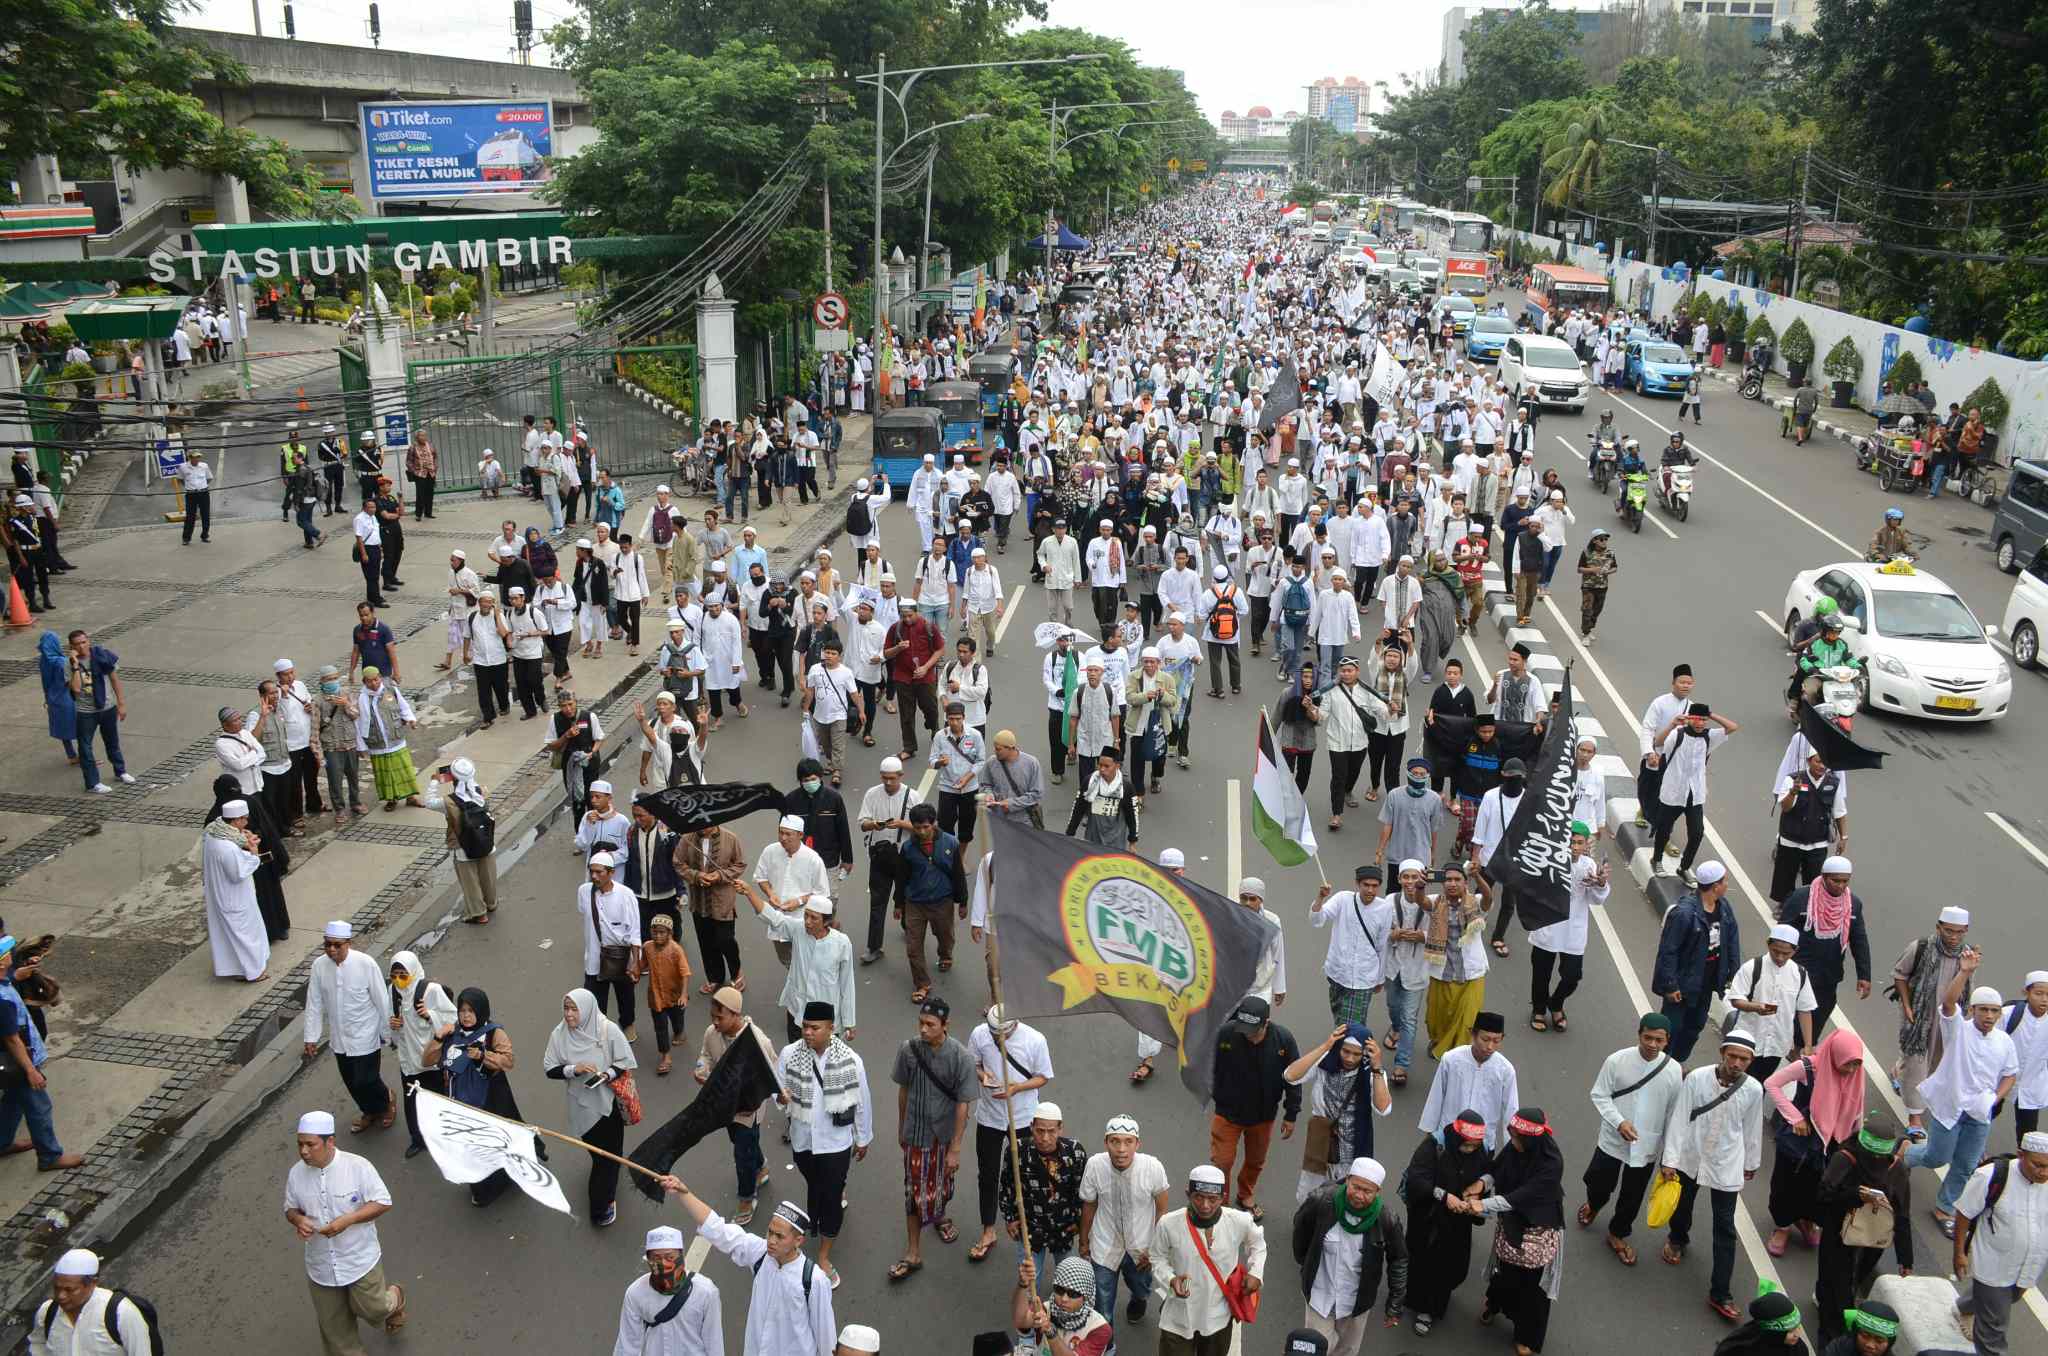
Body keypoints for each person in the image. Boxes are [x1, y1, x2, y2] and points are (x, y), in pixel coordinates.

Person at [1906, 952, 2021, 1232]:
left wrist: (1996, 1098)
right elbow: (1947, 1003)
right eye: (1984, 1010)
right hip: (1951, 1107)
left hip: (1979, 1113)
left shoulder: (2004, 1041)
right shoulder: (1958, 1029)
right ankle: (1904, 1154)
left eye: (1995, 1011)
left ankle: (1944, 1208)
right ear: (1972, 1010)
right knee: (1936, 1157)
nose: (1990, 1016)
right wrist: (1965, 972)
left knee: (1966, 1165)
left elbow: (2010, 1072)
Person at [661, 1178, 839, 1356]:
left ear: (798, 1241)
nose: (771, 1240)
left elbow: (826, 1337)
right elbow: (718, 1230)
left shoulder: (813, 1280)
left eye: (779, 1236)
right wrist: (684, 1193)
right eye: (770, 1232)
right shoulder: (760, 1253)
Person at [1659, 1030, 1766, 1321]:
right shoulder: (1696, 1079)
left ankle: (1720, 1293)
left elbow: (1752, 1127)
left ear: (1750, 1060)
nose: (1737, 1063)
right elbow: (1679, 1118)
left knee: (1725, 1227)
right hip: (1691, 1156)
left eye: (1743, 1059)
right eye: (1732, 1056)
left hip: (1725, 1162)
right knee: (1683, 1204)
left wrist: (1751, 1162)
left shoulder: (1754, 1090)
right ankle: (1678, 1237)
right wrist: (1670, 1159)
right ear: (1722, 1054)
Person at [285, 1110, 406, 1354]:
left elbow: (383, 1202)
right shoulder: (296, 1173)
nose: (304, 1151)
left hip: (358, 1259)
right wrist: (298, 1220)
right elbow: (290, 1208)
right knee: (335, 1333)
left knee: (375, 1309)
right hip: (320, 1266)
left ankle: (396, 1299)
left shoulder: (357, 1167)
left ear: (330, 1142)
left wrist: (348, 1220)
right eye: (300, 1144)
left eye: (311, 1144)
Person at [778, 1000, 872, 1287]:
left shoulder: (851, 1060)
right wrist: (780, 1098)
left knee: (830, 1198)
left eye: (815, 1028)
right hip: (803, 1141)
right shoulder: (789, 1054)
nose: (807, 1033)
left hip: (835, 1144)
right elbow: (778, 1088)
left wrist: (862, 1137)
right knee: (815, 1184)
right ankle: (830, 1195)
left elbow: (863, 1101)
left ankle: (823, 1254)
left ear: (831, 1029)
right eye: (805, 1027)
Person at [1581, 1013, 1684, 1264]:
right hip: (1612, 1140)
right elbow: (1600, 1095)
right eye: (1647, 1038)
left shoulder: (1673, 1070)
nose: (1652, 1044)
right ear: (1639, 1034)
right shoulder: (1617, 1061)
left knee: (1633, 1194)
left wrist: (1670, 1158)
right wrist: (1619, 1122)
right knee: (1598, 1182)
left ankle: (1617, 1233)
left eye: (1659, 1040)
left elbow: (1674, 1116)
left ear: (1667, 1041)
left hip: (1646, 1145)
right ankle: (1594, 1204)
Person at [888, 996, 976, 1281]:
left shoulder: (961, 1057)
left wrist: (956, 1148)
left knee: (943, 1183)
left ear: (945, 1025)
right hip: (916, 1134)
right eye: (921, 1023)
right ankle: (913, 1252)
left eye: (930, 1024)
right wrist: (902, 1126)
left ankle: (939, 1214)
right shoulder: (909, 1050)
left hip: (944, 1137)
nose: (924, 1030)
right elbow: (903, 1090)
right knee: (913, 1193)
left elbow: (963, 1103)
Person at [1809, 1108, 1911, 1347]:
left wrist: (1906, 1259)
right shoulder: (1845, 1159)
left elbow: (1902, 1212)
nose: (1875, 1162)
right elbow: (1823, 1196)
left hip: (1873, 1239)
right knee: (1836, 1287)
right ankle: (1830, 1339)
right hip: (1838, 1234)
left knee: (1852, 1282)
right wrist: (1855, 1195)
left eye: (1880, 1157)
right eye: (1871, 1155)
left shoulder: (1896, 1169)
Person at [1469, 1108, 1565, 1356]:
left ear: (1531, 1139)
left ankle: (1527, 1337)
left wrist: (1482, 1204)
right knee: (1504, 1272)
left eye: (1517, 1139)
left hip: (1538, 1230)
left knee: (1533, 1290)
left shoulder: (1551, 1165)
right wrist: (1481, 1183)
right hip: (1511, 1225)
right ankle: (1495, 1304)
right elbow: (1497, 1169)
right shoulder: (1517, 1147)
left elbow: (1519, 1198)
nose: (1512, 1143)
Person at [1291, 1156, 1406, 1354]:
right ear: (1347, 1181)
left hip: (1357, 1304)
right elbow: (1301, 1231)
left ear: (1378, 1192)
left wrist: (1394, 1305)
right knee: (1315, 1351)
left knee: (1346, 1351)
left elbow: (1399, 1260)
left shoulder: (1386, 1219)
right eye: (1356, 1187)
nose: (1359, 1196)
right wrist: (1306, 1264)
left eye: (1367, 1191)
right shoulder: (1321, 1201)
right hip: (1319, 1296)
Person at [1151, 1163, 1268, 1356]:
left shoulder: (1239, 1221)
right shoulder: (1168, 1223)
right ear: (1188, 1194)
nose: (1205, 1205)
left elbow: (1258, 1245)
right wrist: (1170, 1279)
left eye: (1213, 1199)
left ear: (1222, 1197)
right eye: (1199, 1197)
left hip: (1218, 1317)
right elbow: (1157, 1257)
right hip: (1178, 1316)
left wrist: (1256, 1273)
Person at [544, 988, 637, 1228]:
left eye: (574, 1009)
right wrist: (572, 1069)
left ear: (586, 1010)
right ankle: (602, 1200)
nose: (569, 1014)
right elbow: (549, 1068)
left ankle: (602, 1203)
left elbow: (624, 1061)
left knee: (609, 1155)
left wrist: (607, 1074)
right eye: (566, 1008)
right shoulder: (559, 1034)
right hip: (581, 1106)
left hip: (607, 1105)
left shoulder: (607, 1030)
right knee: (601, 1155)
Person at [968, 1005, 1054, 1262]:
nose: (997, 1039)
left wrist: (1017, 1088)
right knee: (988, 1173)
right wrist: (983, 1076)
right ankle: (988, 1230)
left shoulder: (1035, 1040)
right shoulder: (979, 1035)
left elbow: (1043, 1077)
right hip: (990, 1116)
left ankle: (1030, 1227)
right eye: (994, 1034)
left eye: (1001, 1035)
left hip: (1024, 1116)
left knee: (1027, 1172)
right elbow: (973, 1064)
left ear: (1013, 1027)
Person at [1951, 1129, 2048, 1356]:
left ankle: (1964, 1307)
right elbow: (1964, 1213)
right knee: (1994, 1331)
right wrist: (1959, 1253)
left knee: (2007, 1299)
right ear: (2020, 1155)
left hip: (2029, 1265)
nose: (2044, 1173)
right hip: (1994, 1264)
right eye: (2038, 1165)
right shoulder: (1990, 1176)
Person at [1209, 995, 1301, 1221]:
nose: (1247, 1035)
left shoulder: (1284, 1041)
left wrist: (1291, 1114)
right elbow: (1211, 1066)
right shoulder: (1227, 1034)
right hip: (1227, 1113)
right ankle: (1220, 1200)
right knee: (1222, 1161)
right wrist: (1216, 1094)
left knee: (1255, 1160)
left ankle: (1245, 1194)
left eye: (1253, 1030)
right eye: (1243, 1029)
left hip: (1262, 1116)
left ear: (1266, 1023)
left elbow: (1294, 1078)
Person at [1283, 1023, 1392, 1205]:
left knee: (1348, 1198)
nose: (1349, 1058)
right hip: (1321, 1142)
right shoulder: (1325, 1061)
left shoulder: (1371, 1071)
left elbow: (1383, 1108)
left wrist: (1377, 1067)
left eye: (1357, 1054)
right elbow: (1290, 1076)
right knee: (1309, 1196)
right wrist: (1326, 1046)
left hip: (1353, 1148)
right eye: (1345, 1051)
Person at [1402, 1111, 1490, 1335]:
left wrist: (1478, 1189)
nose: (1470, 1150)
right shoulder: (1434, 1146)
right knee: (1422, 1261)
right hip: (1427, 1217)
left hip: (1458, 1222)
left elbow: (1491, 1173)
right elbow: (1417, 1179)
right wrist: (1444, 1196)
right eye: (1466, 1146)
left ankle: (1434, 1303)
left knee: (1451, 1265)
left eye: (1474, 1147)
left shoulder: (1483, 1150)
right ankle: (1423, 1308)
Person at [0, 937, 83, 1172]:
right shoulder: (2, 1000)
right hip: (20, 1060)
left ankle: (2, 1142)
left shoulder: (5, 983)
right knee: (39, 1108)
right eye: (7, 955)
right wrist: (31, 1071)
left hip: (14, 1061)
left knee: (13, 1101)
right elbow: (12, 1039)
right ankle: (49, 1156)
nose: (10, 957)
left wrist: (18, 973)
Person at [1079, 1112, 1170, 1325]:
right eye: (1115, 1142)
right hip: (1103, 1245)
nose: (1121, 1149)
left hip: (1142, 1248)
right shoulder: (1094, 1165)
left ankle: (1139, 1299)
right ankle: (1106, 1345)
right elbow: (1089, 1205)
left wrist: (1155, 1248)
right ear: (1106, 1142)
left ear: (1137, 1144)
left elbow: (1162, 1210)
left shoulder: (1152, 1167)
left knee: (1141, 1287)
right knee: (1102, 1308)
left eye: (1128, 1142)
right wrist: (1084, 1242)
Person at [304, 921, 392, 1134]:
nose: (331, 950)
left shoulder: (365, 964)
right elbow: (314, 1003)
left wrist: (389, 1033)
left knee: (366, 1079)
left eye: (337, 945)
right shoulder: (319, 966)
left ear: (348, 944)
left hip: (365, 1034)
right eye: (327, 944)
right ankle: (369, 1111)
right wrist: (311, 1037)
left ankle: (386, 1102)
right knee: (351, 1081)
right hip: (340, 1038)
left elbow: (382, 1000)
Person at [1891, 905, 1972, 1131]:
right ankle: (1915, 1118)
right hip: (1918, 1016)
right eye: (1949, 931)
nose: (1954, 936)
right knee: (1917, 1063)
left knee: (1937, 1063)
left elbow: (1967, 989)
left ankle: (1898, 1070)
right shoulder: (1920, 948)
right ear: (1938, 927)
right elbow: (1900, 975)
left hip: (1946, 1020)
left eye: (1959, 931)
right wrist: (1907, 1007)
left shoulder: (1967, 956)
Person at [1653, 861, 1741, 1062]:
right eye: (1724, 881)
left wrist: (1732, 974)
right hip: (1683, 984)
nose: (1727, 884)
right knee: (1670, 1028)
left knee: (1694, 1027)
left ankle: (1677, 1063)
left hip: (1706, 983)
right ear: (1715, 886)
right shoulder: (1684, 914)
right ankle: (1659, 1065)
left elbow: (1732, 940)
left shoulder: (1724, 907)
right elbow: (1669, 951)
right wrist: (1671, 984)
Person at [1526, 822, 1609, 1032]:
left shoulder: (1589, 865)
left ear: (1585, 845)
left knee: (1573, 976)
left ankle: (1556, 1003)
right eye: (1571, 842)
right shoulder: (1548, 860)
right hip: (1549, 925)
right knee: (1541, 972)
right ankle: (1538, 1008)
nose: (1574, 846)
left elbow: (1596, 900)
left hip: (1574, 930)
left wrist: (1600, 884)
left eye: (1579, 842)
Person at [1778, 854, 1872, 1036]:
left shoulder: (1853, 905)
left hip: (1829, 975)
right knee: (1791, 1015)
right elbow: (1782, 934)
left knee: (1819, 1014)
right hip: (1798, 972)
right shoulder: (1801, 898)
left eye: (1845, 881)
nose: (1841, 886)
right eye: (1835, 881)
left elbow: (1859, 940)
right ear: (1824, 877)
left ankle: (1803, 1046)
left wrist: (1864, 975)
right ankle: (1795, 1047)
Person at [1001, 1102, 1090, 1293]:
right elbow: (1006, 1187)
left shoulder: (1075, 1152)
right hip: (1030, 1227)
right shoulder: (1017, 1151)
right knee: (1030, 1283)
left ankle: (1064, 1318)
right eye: (1040, 1130)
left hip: (1064, 1227)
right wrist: (1010, 1219)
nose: (1045, 1137)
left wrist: (1078, 1221)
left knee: (1069, 1281)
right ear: (1032, 1126)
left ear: (1060, 1129)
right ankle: (1032, 1320)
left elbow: (1082, 1191)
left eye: (1051, 1131)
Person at [1648, 701, 1737, 884]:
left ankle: (1684, 867)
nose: (1700, 723)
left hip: (1695, 793)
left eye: (1703, 720)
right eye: (1696, 719)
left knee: (1697, 833)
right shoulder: (1677, 735)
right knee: (1664, 829)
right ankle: (1656, 859)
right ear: (1689, 719)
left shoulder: (1709, 737)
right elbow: (1657, 742)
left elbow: (1732, 727)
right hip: (1673, 792)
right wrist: (1673, 724)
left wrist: (1710, 714)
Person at [611, 1223, 724, 1356]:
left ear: (681, 1256)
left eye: (670, 1257)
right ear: (648, 1259)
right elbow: (628, 1344)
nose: (664, 1264)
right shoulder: (635, 1293)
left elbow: (714, 1342)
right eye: (657, 1258)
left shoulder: (706, 1292)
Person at [384, 950, 454, 1162]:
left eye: (403, 976)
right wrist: (394, 1024)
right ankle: (418, 1139)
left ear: (413, 972)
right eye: (394, 975)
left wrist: (430, 1015)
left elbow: (452, 1018)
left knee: (438, 1100)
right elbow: (392, 1025)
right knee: (412, 1102)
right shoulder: (393, 991)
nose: (399, 980)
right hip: (408, 1061)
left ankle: (444, 1137)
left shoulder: (430, 990)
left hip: (431, 1060)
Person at [27, 1248, 153, 1356]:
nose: (61, 1296)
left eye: (69, 1290)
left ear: (92, 1284)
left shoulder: (122, 1314)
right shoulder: (47, 1312)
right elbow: (37, 1344)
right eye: (57, 1288)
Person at [201, 797, 270, 982]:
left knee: (231, 935)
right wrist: (254, 853)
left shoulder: (212, 833)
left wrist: (243, 841)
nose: (246, 822)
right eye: (244, 819)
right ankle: (254, 971)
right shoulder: (227, 848)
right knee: (245, 934)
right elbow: (237, 873)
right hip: (234, 897)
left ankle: (239, 967)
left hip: (222, 894)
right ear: (236, 820)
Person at [352, 666, 422, 812]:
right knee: (385, 773)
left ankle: (411, 797)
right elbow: (358, 723)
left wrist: (410, 720)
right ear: (364, 682)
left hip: (396, 739)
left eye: (376, 679)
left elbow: (403, 706)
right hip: (376, 742)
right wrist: (361, 747)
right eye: (369, 681)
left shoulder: (391, 689)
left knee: (404, 770)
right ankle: (391, 799)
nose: (374, 684)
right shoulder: (361, 698)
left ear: (380, 678)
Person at [1713, 1283, 1808, 1355]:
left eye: (1797, 1327)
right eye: (1789, 1331)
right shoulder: (1739, 1347)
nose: (1797, 1334)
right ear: (1773, 1332)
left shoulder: (1799, 1350)